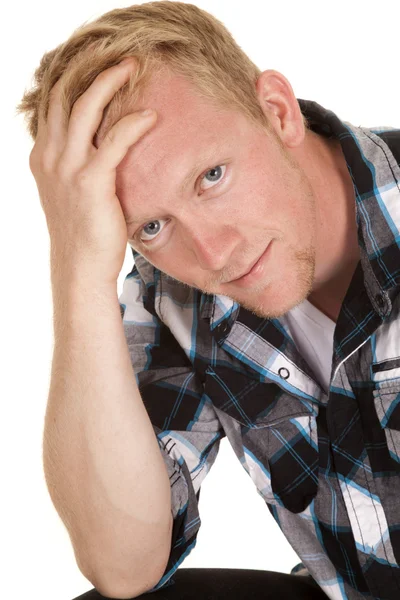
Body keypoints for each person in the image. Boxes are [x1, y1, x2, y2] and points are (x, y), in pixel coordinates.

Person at [17, 2, 400, 599]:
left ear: (277, 111)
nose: (213, 253)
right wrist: (77, 271)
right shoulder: (174, 296)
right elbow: (122, 565)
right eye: (151, 226)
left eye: (212, 176)